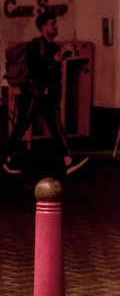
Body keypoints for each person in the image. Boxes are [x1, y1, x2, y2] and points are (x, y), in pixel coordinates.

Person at [2, 13, 89, 175]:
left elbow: (53, 70)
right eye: (52, 24)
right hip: (33, 93)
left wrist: (62, 57)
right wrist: (52, 60)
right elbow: (33, 67)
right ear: (43, 27)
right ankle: (7, 158)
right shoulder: (36, 46)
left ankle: (68, 161)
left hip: (49, 95)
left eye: (55, 23)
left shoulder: (54, 47)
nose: (56, 26)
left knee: (56, 128)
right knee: (22, 125)